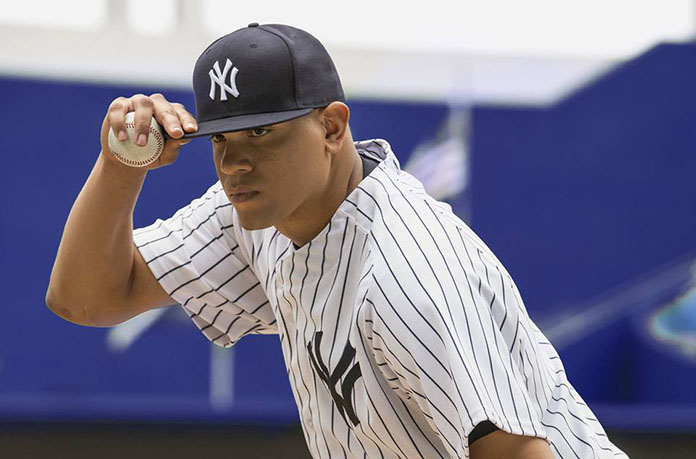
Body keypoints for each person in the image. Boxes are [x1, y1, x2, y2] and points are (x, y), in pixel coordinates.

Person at [46, 23, 628, 458]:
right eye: (222, 140)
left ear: (330, 127)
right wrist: (121, 166)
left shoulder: (407, 271)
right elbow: (87, 298)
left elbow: (519, 454)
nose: (236, 163)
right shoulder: (258, 216)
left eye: (262, 132)